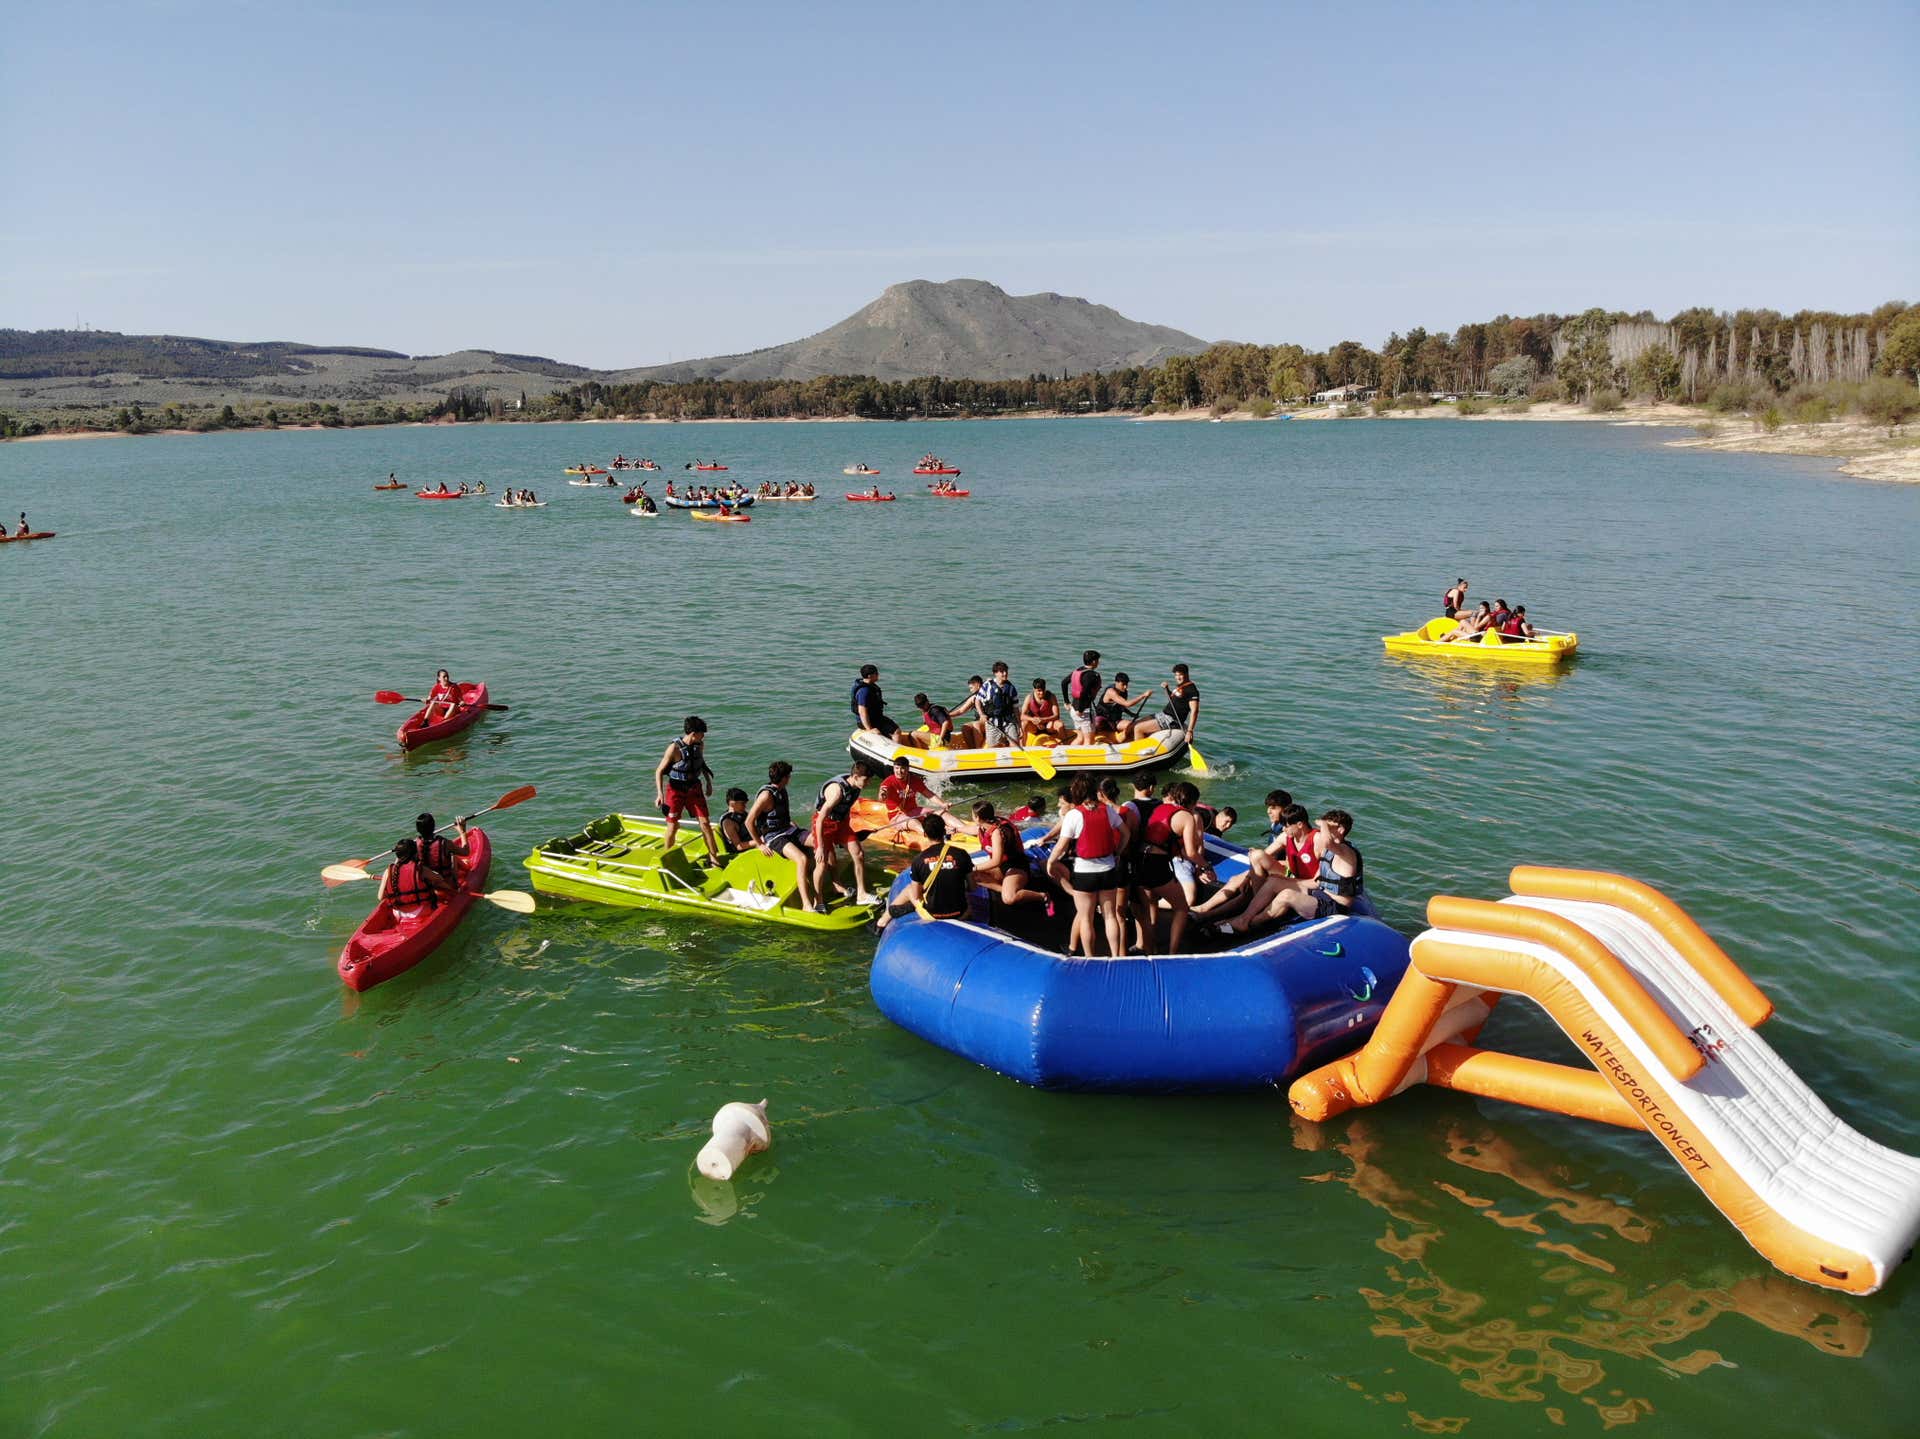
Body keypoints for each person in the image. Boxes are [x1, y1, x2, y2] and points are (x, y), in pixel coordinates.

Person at [1193, 801, 1315, 930]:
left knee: (1248, 894)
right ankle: (1203, 910)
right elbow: (1264, 855)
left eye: (1273, 808)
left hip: (1298, 881)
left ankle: (1230, 920)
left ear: (1299, 824)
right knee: (1239, 878)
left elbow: (1318, 878)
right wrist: (1247, 876)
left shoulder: (1316, 840)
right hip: (1286, 873)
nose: (1283, 828)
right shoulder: (1286, 836)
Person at [1047, 775, 1128, 958]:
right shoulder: (1108, 810)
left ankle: (1090, 957)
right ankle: (1115, 956)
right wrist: (1117, 853)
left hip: (1084, 873)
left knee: (1086, 918)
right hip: (1108, 870)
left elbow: (1061, 845)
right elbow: (1126, 833)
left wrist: (1051, 862)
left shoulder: (1074, 815)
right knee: (1110, 916)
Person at [1131, 782, 1202, 954]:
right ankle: (1172, 953)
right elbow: (1191, 852)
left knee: (1150, 907)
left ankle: (1151, 950)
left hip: (1139, 861)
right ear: (1193, 801)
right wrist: (1206, 866)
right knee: (1182, 907)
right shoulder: (1187, 817)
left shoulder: (1161, 808)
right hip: (1156, 864)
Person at [745, 761, 821, 913]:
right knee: (802, 859)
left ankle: (825, 888)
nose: (790, 779)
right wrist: (760, 844)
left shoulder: (781, 790)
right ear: (785, 778)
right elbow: (749, 822)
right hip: (774, 836)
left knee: (820, 842)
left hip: (788, 829)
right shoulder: (766, 796)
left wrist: (793, 826)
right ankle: (806, 904)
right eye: (789, 776)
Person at [878, 814, 975, 930]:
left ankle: (882, 921)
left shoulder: (919, 860)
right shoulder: (962, 854)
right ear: (944, 831)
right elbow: (972, 887)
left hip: (932, 915)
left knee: (909, 889)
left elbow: (916, 895)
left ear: (925, 834)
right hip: (961, 914)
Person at [812, 760, 880, 906]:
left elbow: (845, 808)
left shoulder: (856, 786)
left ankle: (861, 895)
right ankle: (818, 901)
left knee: (859, 854)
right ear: (855, 776)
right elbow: (820, 818)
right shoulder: (837, 792)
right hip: (824, 824)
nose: (868, 783)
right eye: (866, 780)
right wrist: (820, 847)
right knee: (822, 863)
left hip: (841, 823)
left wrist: (848, 835)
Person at [653, 716, 719, 865]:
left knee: (705, 823)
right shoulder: (674, 748)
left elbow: (701, 763)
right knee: (673, 826)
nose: (703, 737)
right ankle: (667, 859)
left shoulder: (699, 745)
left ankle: (714, 857)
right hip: (675, 791)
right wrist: (660, 794)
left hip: (694, 788)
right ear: (694, 734)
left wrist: (708, 782)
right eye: (702, 734)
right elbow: (659, 771)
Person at [968, 799, 1051, 916]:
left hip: (1016, 867)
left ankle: (1043, 896)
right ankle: (1004, 889)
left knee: (1009, 898)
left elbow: (996, 861)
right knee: (972, 876)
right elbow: (968, 829)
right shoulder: (984, 826)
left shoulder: (997, 833)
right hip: (1002, 867)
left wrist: (974, 867)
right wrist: (955, 828)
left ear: (977, 818)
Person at [377, 837, 454, 919]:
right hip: (419, 912)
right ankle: (455, 894)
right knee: (436, 883)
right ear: (415, 853)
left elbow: (380, 897)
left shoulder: (388, 871)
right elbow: (439, 878)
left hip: (397, 912)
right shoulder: (419, 869)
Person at [877, 754, 951, 838]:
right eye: (896, 768)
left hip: (914, 811)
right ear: (893, 768)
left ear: (908, 769)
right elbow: (881, 799)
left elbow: (929, 794)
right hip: (897, 816)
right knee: (913, 822)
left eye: (902, 768)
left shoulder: (914, 780)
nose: (899, 771)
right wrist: (882, 794)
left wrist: (942, 804)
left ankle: (960, 828)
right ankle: (932, 835)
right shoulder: (888, 782)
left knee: (939, 813)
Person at [852, 664, 919, 748]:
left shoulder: (869, 686)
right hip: (869, 721)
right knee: (896, 732)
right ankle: (896, 750)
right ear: (869, 676)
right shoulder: (864, 691)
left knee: (894, 729)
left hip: (875, 718)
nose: (878, 675)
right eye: (876, 673)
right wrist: (869, 729)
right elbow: (862, 711)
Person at [1133, 663, 1200, 746]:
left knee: (1138, 728)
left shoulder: (1192, 690)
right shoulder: (1182, 686)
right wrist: (1167, 689)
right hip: (1163, 715)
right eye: (1176, 675)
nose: (1178, 677)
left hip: (1172, 720)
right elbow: (1174, 700)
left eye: (1180, 675)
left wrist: (1190, 731)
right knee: (1135, 724)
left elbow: (1194, 711)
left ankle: (1139, 750)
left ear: (1186, 674)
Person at [413, 811, 471, 877]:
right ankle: (466, 867)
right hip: (446, 879)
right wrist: (462, 831)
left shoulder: (415, 845)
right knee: (452, 854)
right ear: (434, 827)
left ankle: (464, 865)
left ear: (418, 830)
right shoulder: (444, 843)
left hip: (429, 880)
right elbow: (466, 852)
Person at [1063, 651, 1103, 744]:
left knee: (1080, 738)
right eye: (1097, 660)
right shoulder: (1091, 675)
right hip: (1083, 712)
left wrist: (1066, 702)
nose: (1098, 662)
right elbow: (1084, 692)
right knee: (1089, 740)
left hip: (1073, 709)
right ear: (1094, 661)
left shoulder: (1078, 671)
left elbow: (1064, 682)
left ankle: (1069, 752)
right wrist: (1081, 710)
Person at [1094, 672, 1146, 742]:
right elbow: (1127, 704)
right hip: (1104, 720)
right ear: (1116, 682)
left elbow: (1121, 706)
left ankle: (1131, 740)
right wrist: (1143, 696)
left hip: (1116, 721)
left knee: (1132, 725)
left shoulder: (1124, 692)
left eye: (1126, 684)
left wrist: (1131, 714)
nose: (1125, 687)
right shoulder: (1111, 692)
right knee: (1097, 723)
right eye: (1123, 684)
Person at [1022, 678, 1064, 744]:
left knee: (1060, 724)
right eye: (1039, 691)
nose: (1041, 693)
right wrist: (1033, 720)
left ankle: (1064, 745)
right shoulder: (1029, 698)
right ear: (1034, 689)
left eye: (1043, 690)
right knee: (1024, 724)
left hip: (1049, 725)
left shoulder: (1051, 697)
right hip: (1035, 727)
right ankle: (1023, 746)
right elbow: (1022, 716)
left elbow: (1057, 715)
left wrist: (1044, 720)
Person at [717, 789, 754, 856]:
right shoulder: (728, 822)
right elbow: (739, 846)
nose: (745, 806)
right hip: (742, 855)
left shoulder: (742, 813)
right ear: (732, 803)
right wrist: (759, 841)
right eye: (742, 803)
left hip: (752, 844)